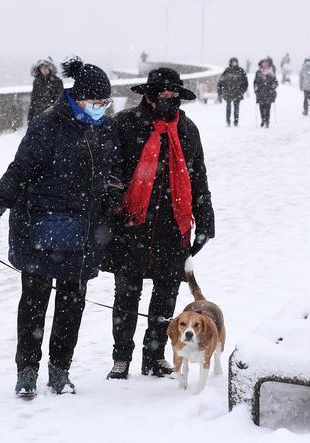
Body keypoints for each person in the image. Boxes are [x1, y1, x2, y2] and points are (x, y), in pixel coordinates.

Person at [0, 57, 119, 396]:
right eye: (96, 102)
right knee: (34, 303)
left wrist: (112, 200)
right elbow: (18, 171)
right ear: (78, 97)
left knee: (72, 305)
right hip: (39, 228)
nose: (101, 109)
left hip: (82, 231)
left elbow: (111, 176)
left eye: (105, 103)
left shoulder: (104, 130)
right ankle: (27, 371)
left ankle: (60, 370)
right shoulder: (46, 126)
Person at [102, 67, 215, 380]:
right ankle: (121, 356)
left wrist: (205, 219)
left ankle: (155, 356)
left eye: (172, 92)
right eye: (161, 91)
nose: (167, 96)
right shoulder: (124, 124)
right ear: (148, 94)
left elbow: (198, 178)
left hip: (171, 226)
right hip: (131, 224)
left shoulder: (188, 130)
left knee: (166, 295)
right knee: (126, 293)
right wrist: (111, 200)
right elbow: (111, 168)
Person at [27, 58, 64, 123]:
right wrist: (30, 118)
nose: (44, 69)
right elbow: (33, 100)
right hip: (39, 113)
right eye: (42, 67)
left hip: (53, 113)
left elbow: (60, 99)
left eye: (46, 67)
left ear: (50, 68)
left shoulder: (57, 81)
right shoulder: (37, 81)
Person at [217, 57, 249, 127]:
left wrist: (242, 91)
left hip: (237, 93)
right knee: (228, 108)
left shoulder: (241, 71)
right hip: (228, 93)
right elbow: (221, 81)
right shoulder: (227, 70)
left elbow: (245, 83)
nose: (234, 63)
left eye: (235, 62)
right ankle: (228, 121)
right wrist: (221, 91)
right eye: (233, 62)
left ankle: (236, 122)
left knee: (236, 108)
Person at [254, 58, 278, 127]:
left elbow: (275, 82)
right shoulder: (258, 72)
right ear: (261, 64)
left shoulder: (271, 72)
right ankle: (263, 119)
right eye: (263, 63)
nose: (265, 64)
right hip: (260, 93)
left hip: (268, 93)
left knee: (268, 108)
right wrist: (256, 88)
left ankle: (267, 121)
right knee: (261, 108)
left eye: (266, 63)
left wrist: (272, 88)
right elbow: (255, 82)